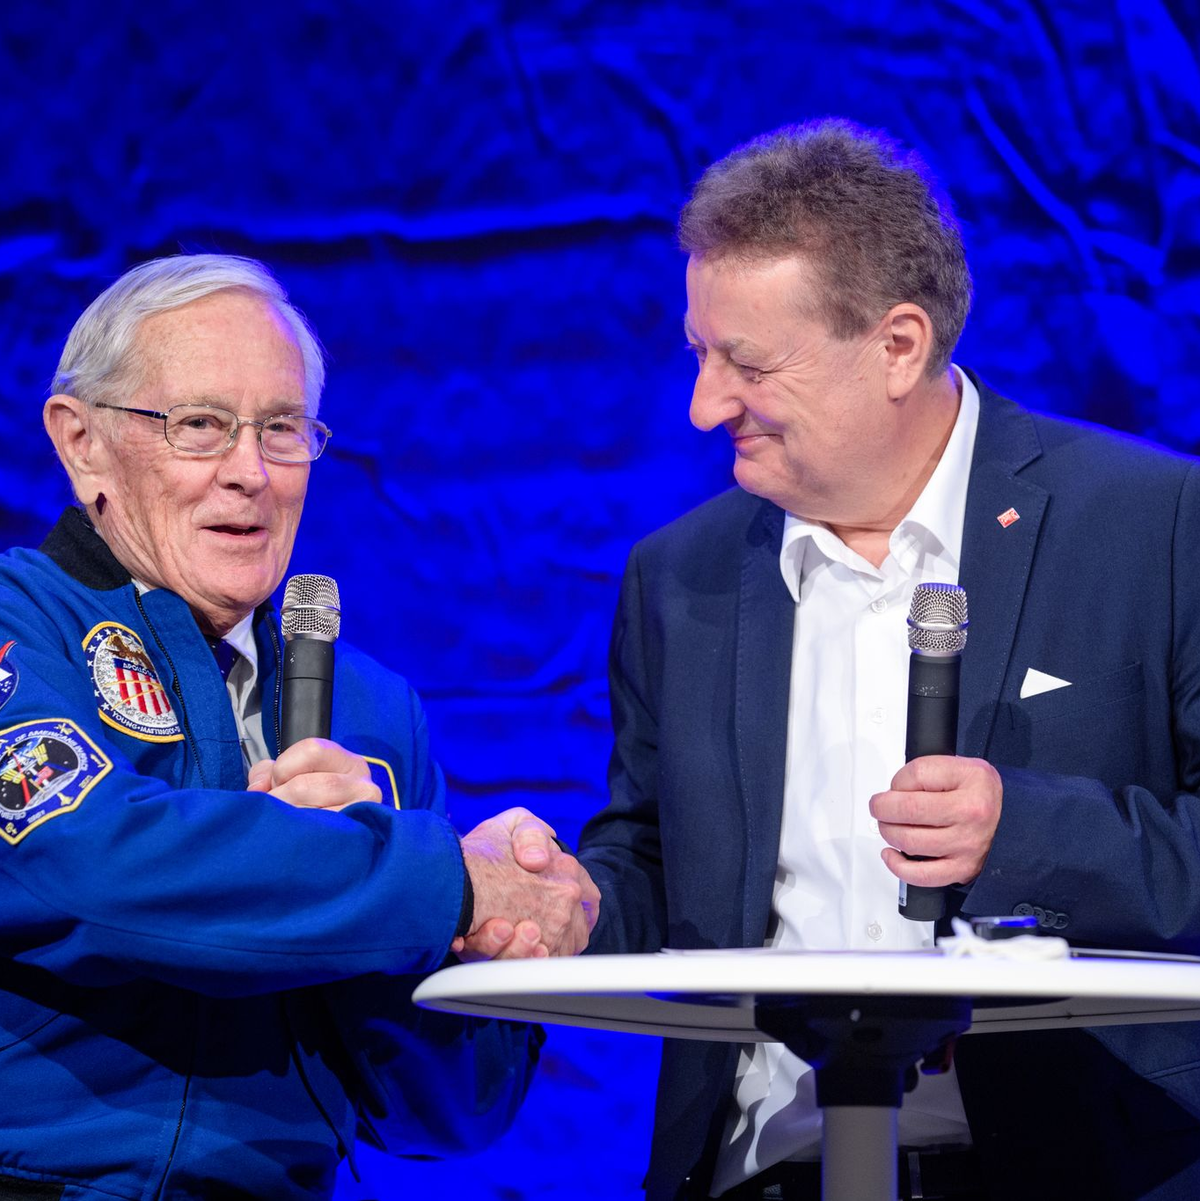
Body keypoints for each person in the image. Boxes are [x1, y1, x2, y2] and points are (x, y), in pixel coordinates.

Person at [575, 120, 1200, 1200]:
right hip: (765, 1175)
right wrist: (555, 900)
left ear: (898, 346)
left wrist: (1028, 833)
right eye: (700, 354)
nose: (704, 406)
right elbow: (652, 869)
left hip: (1083, 1169)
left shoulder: (1156, 525)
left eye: (748, 363)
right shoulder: (677, 578)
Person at [0, 253, 598, 1199]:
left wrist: (450, 935)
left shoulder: (373, 710)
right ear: (82, 444)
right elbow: (88, 867)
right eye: (199, 425)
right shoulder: (20, 628)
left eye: (281, 430)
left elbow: (457, 1111)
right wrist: (440, 884)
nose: (250, 473)